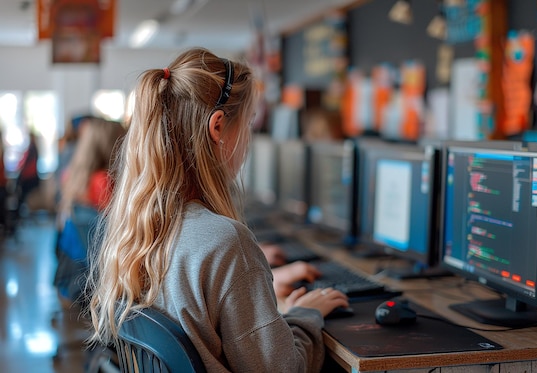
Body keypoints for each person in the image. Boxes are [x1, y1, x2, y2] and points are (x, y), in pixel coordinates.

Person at [87, 47, 349, 372]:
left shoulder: (141, 231)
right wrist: (304, 316)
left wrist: (258, 288)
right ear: (218, 127)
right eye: (249, 122)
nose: (250, 139)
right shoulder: (226, 241)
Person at [54, 118, 127, 305]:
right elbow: (122, 229)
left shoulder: (74, 177)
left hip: (73, 269)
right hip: (97, 278)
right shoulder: (103, 181)